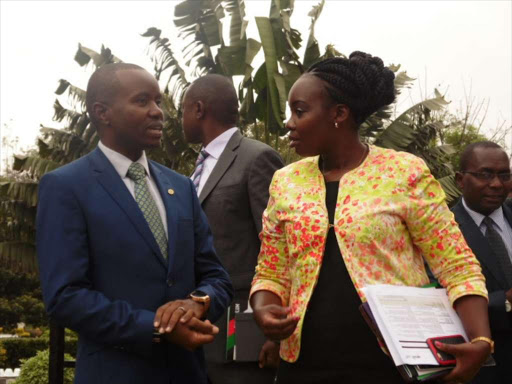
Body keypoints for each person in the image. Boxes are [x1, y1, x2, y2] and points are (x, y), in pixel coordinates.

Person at [249, 52, 493, 384]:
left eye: (300, 111)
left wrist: (480, 339)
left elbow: (456, 264)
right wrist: (264, 307)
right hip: (303, 367)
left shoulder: (402, 172)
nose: (289, 123)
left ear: (339, 114)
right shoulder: (286, 181)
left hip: (393, 365)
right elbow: (271, 272)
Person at [36, 63, 233, 384]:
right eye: (142, 101)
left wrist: (198, 303)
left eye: (158, 101)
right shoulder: (66, 186)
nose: (158, 112)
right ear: (103, 112)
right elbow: (65, 296)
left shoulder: (181, 187)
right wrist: (157, 329)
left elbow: (216, 277)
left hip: (187, 374)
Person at [180, 74, 284, 384]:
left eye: (182, 109)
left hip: (242, 329)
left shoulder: (257, 158)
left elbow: (278, 248)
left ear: (199, 109)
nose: (180, 118)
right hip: (201, 325)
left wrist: (276, 336)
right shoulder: (200, 164)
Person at [452, 142, 512, 383]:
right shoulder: (443, 229)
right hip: (487, 366)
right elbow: (441, 297)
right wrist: (505, 301)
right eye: (485, 174)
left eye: (504, 175)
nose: (496, 184)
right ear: (460, 179)